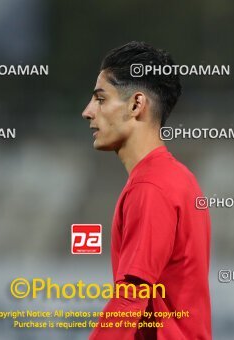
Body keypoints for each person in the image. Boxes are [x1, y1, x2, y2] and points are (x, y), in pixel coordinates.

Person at [81, 41, 212, 340]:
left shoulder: (150, 187)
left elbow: (130, 299)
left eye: (101, 99)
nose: (87, 112)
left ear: (136, 105)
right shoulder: (180, 178)